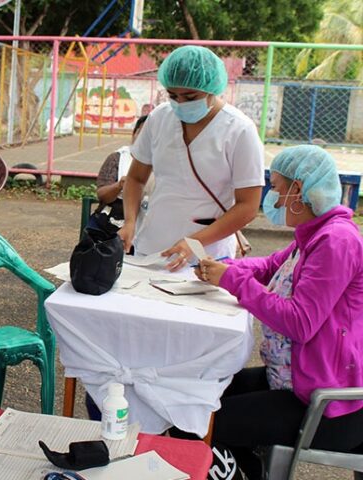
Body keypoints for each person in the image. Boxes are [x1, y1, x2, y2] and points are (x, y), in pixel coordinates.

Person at [195, 145, 363, 479]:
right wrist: (226, 267)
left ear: (298, 190)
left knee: (208, 423)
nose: (271, 195)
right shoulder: (314, 233)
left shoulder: (336, 241)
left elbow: (300, 322)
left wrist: (233, 280)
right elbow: (271, 266)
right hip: (295, 377)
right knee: (198, 394)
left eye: (277, 187)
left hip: (325, 402)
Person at [119, 45, 264, 271]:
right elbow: (136, 178)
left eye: (190, 96)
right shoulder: (159, 118)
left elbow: (248, 206)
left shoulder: (239, 130)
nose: (180, 103)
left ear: (212, 89)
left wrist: (193, 242)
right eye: (173, 95)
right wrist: (129, 222)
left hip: (207, 254)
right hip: (152, 245)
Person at [95, 115, 150, 221]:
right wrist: (118, 186)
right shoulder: (118, 158)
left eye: (149, 136)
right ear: (134, 134)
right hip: (114, 221)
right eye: (141, 133)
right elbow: (103, 195)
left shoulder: (163, 164)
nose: (144, 140)